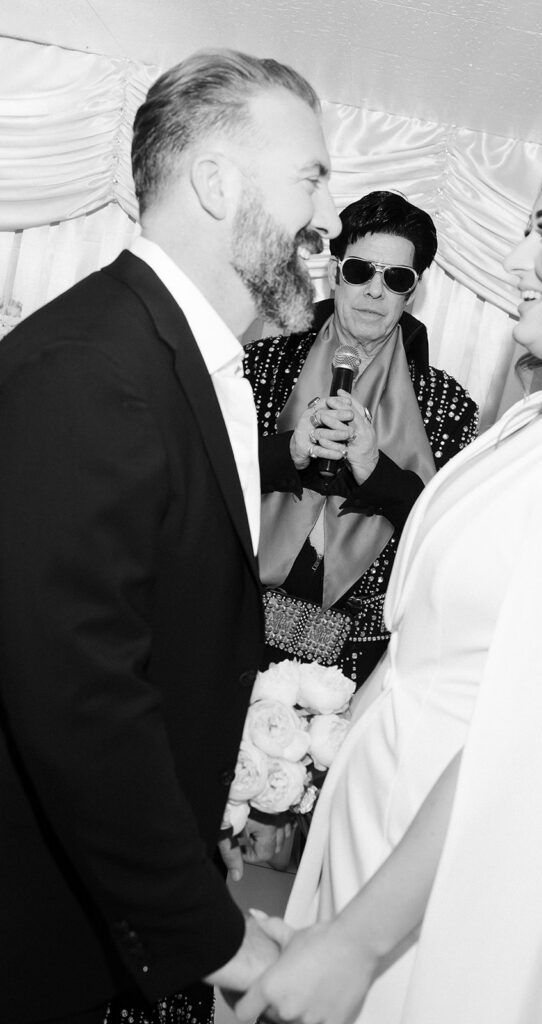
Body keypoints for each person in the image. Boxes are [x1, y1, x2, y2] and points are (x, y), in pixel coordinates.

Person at [235, 86, 542, 1024]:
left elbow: (537, 740)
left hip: (445, 885)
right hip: (380, 826)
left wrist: (357, 943)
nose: (519, 256)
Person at [0, 48, 340, 1024]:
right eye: (311, 175)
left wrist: (199, 848)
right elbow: (79, 696)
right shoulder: (91, 369)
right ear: (216, 180)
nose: (326, 214)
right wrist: (214, 935)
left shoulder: (178, 359)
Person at [244, 190, 478, 687]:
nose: (375, 290)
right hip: (230, 618)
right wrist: (290, 450)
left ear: (411, 291)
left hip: (355, 655)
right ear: (334, 271)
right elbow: (203, 472)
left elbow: (451, 538)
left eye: (395, 278)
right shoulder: (262, 366)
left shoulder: (448, 408)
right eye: (359, 271)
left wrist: (376, 469)